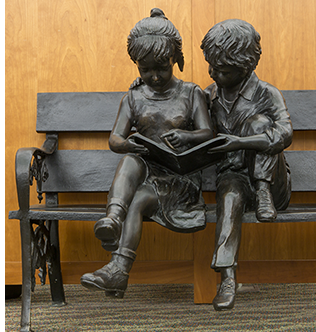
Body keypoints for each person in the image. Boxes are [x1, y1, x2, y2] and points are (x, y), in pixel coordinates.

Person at [80, 8, 213, 297]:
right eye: (145, 69)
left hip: (180, 179)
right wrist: (130, 144)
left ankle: (118, 271)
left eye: (161, 68)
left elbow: (208, 134)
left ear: (175, 60)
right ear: (137, 65)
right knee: (131, 159)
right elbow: (115, 139)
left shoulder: (191, 93)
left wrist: (186, 136)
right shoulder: (134, 96)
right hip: (146, 171)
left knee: (139, 199)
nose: (153, 76)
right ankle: (113, 220)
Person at [201, 19, 293, 310]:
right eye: (212, 68)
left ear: (246, 68)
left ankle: (262, 188)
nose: (214, 74)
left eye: (223, 71)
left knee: (261, 124)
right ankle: (227, 279)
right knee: (228, 195)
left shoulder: (267, 94)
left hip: (274, 187)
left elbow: (284, 133)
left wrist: (240, 142)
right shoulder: (210, 95)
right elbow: (180, 106)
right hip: (234, 175)